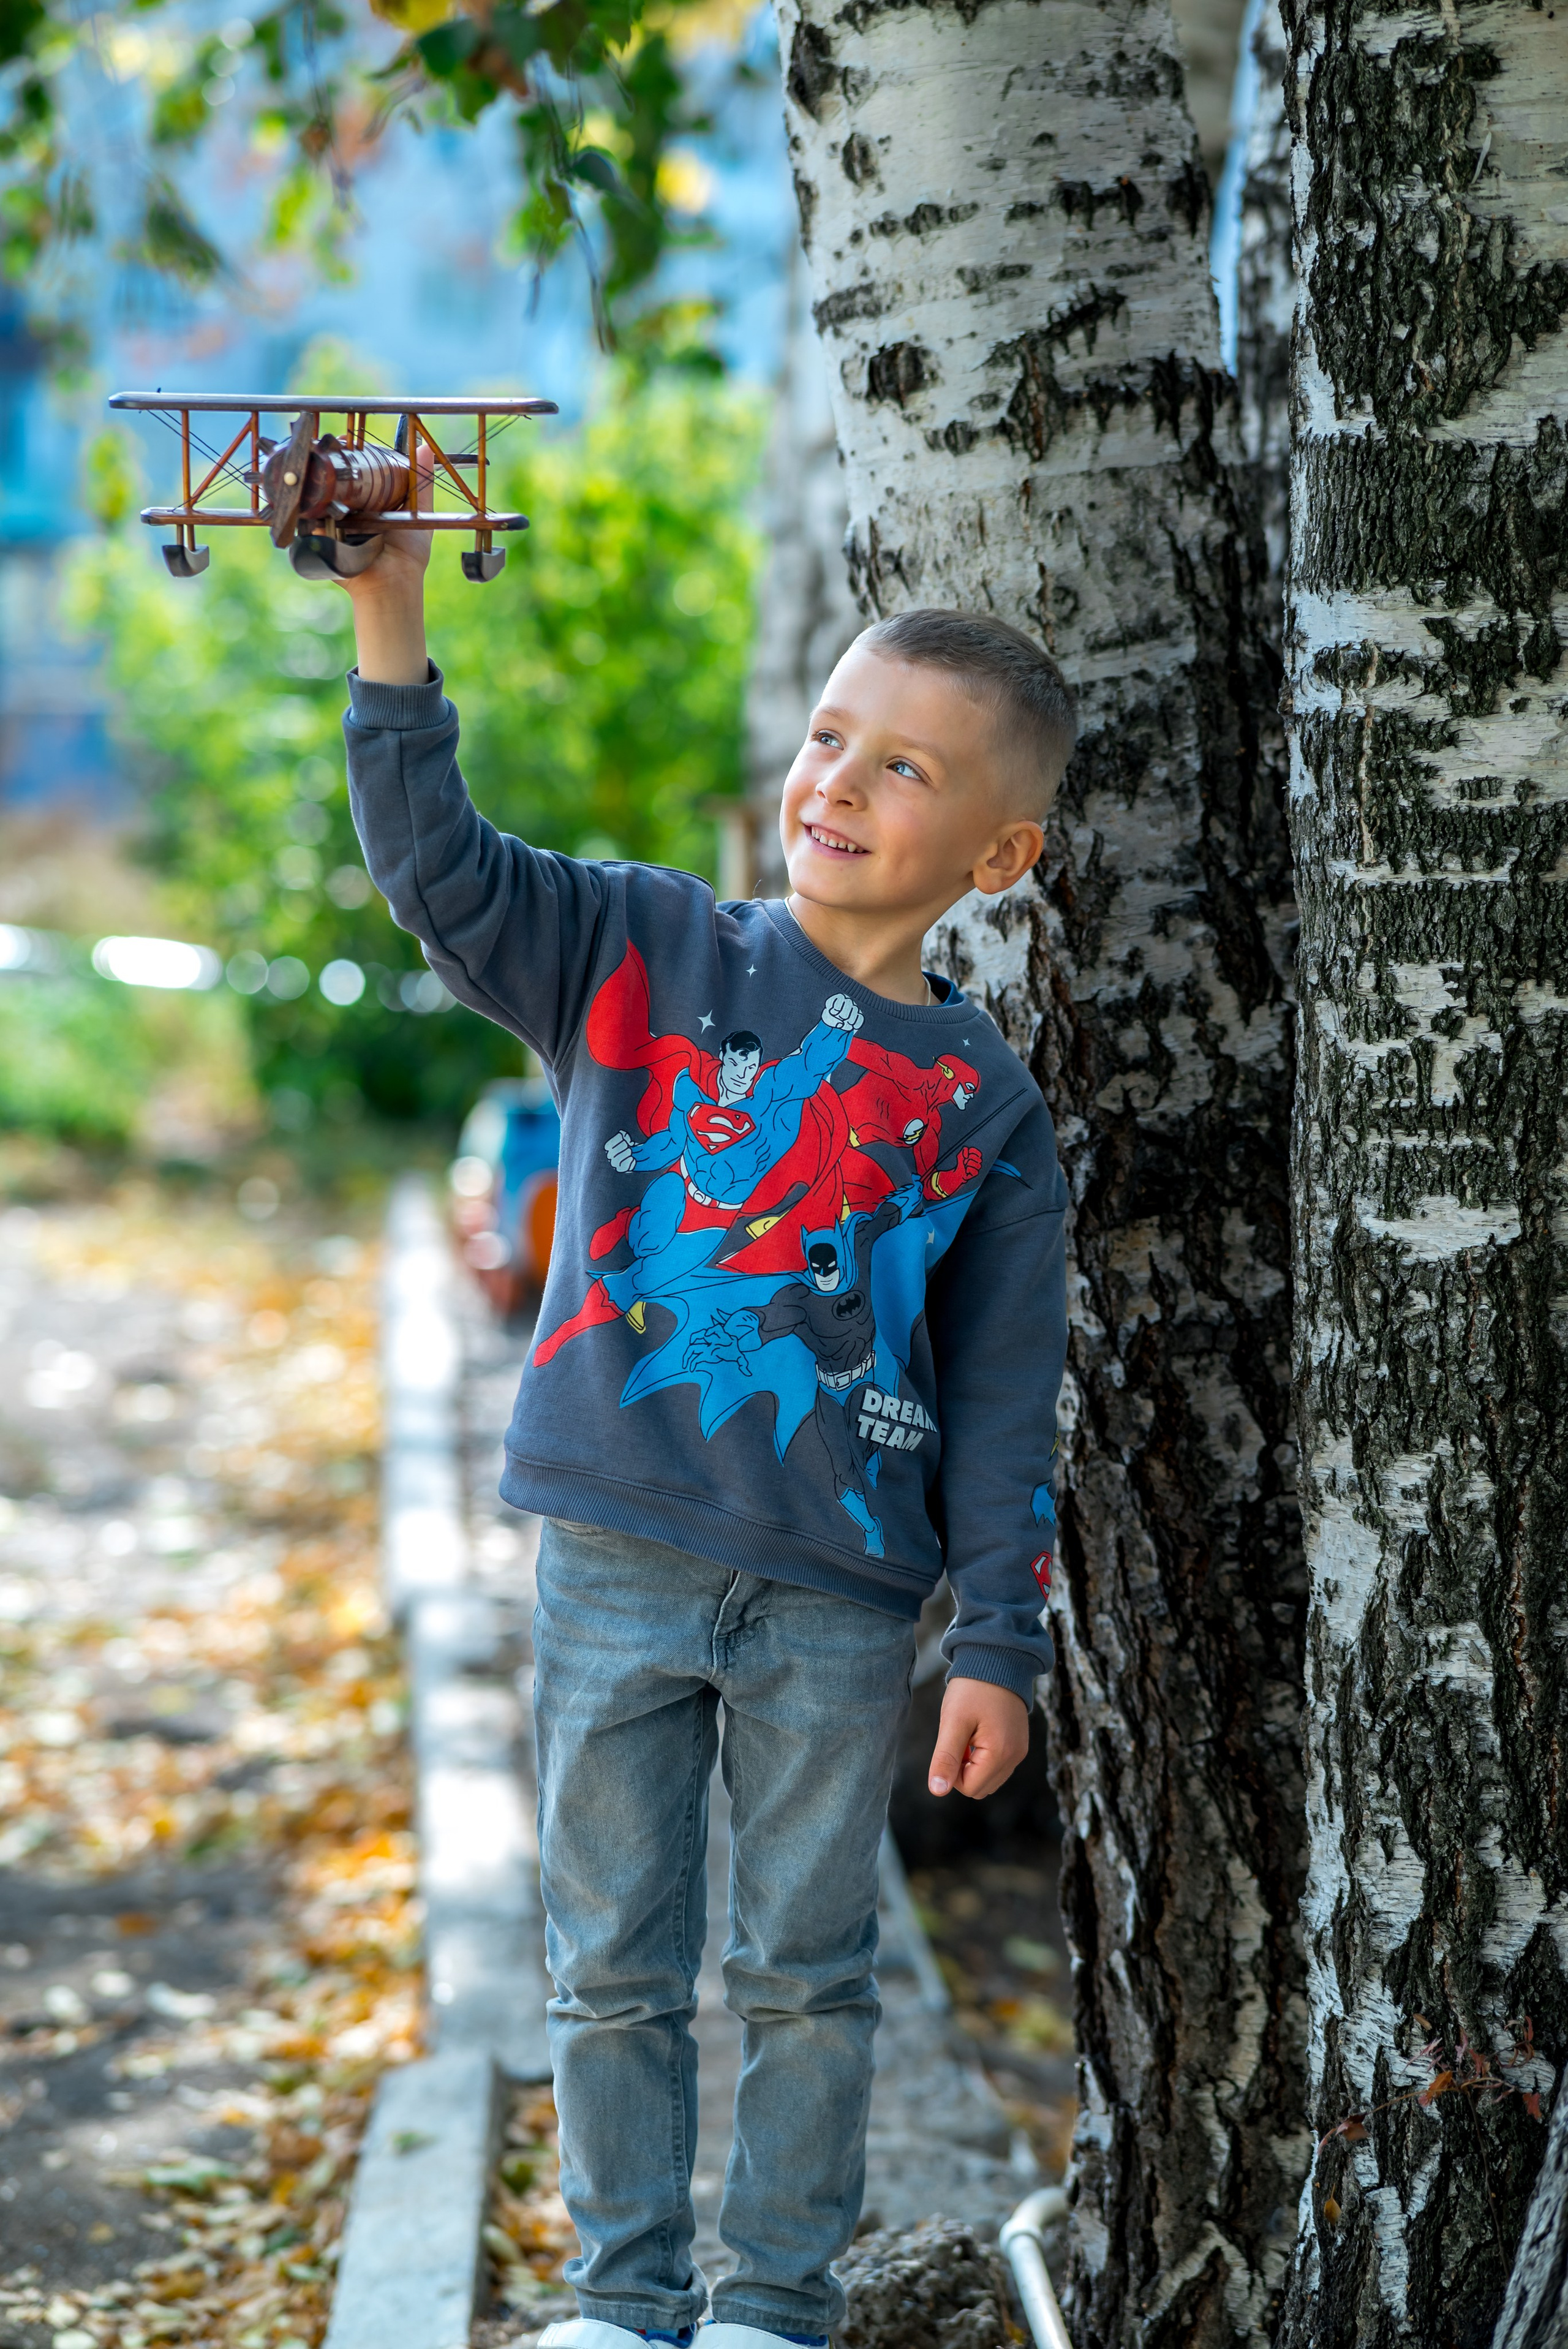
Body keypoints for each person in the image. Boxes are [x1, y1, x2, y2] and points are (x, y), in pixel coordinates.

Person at [334, 516, 1075, 2349]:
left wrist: (995, 1634)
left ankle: (771, 2309)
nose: (841, 779)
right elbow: (443, 874)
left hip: (840, 1602)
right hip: (615, 1559)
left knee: (812, 1975)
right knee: (612, 1968)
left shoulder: (987, 1105)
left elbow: (1004, 1388)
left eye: (906, 766)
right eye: (833, 733)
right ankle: (623, 2303)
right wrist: (388, 621)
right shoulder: (639, 945)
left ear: (998, 853)